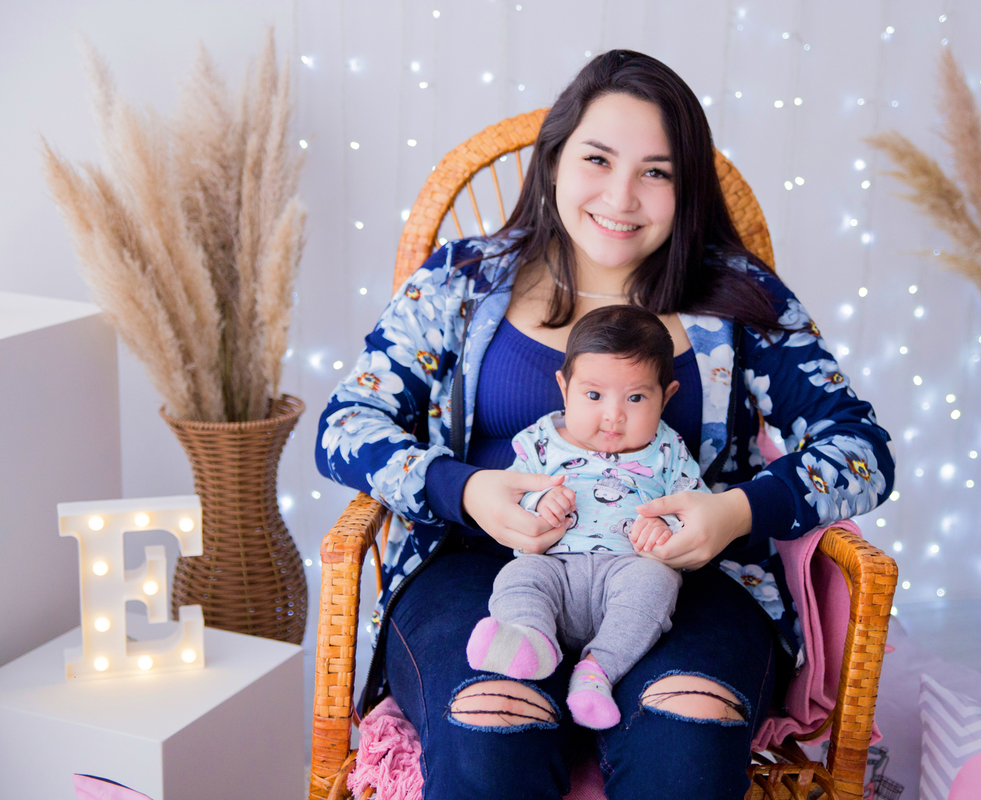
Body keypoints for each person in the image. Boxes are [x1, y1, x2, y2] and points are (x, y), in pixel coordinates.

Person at [316, 49, 894, 800]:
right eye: (598, 159)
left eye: (657, 171)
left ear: (686, 189)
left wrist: (735, 512)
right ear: (554, 160)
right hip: (478, 569)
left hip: (685, 580)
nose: (622, 197)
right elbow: (345, 425)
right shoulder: (461, 283)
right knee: (493, 732)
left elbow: (862, 452)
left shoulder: (738, 297)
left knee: (684, 737)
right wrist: (466, 492)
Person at [467, 305, 709, 731]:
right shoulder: (540, 442)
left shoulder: (669, 451)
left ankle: (597, 671)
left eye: (636, 398)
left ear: (666, 396)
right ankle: (528, 639)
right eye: (594, 396)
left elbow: (699, 513)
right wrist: (538, 506)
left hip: (628, 571)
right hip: (552, 566)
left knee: (657, 584)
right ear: (564, 388)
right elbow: (508, 504)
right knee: (516, 577)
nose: (613, 415)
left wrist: (666, 527)